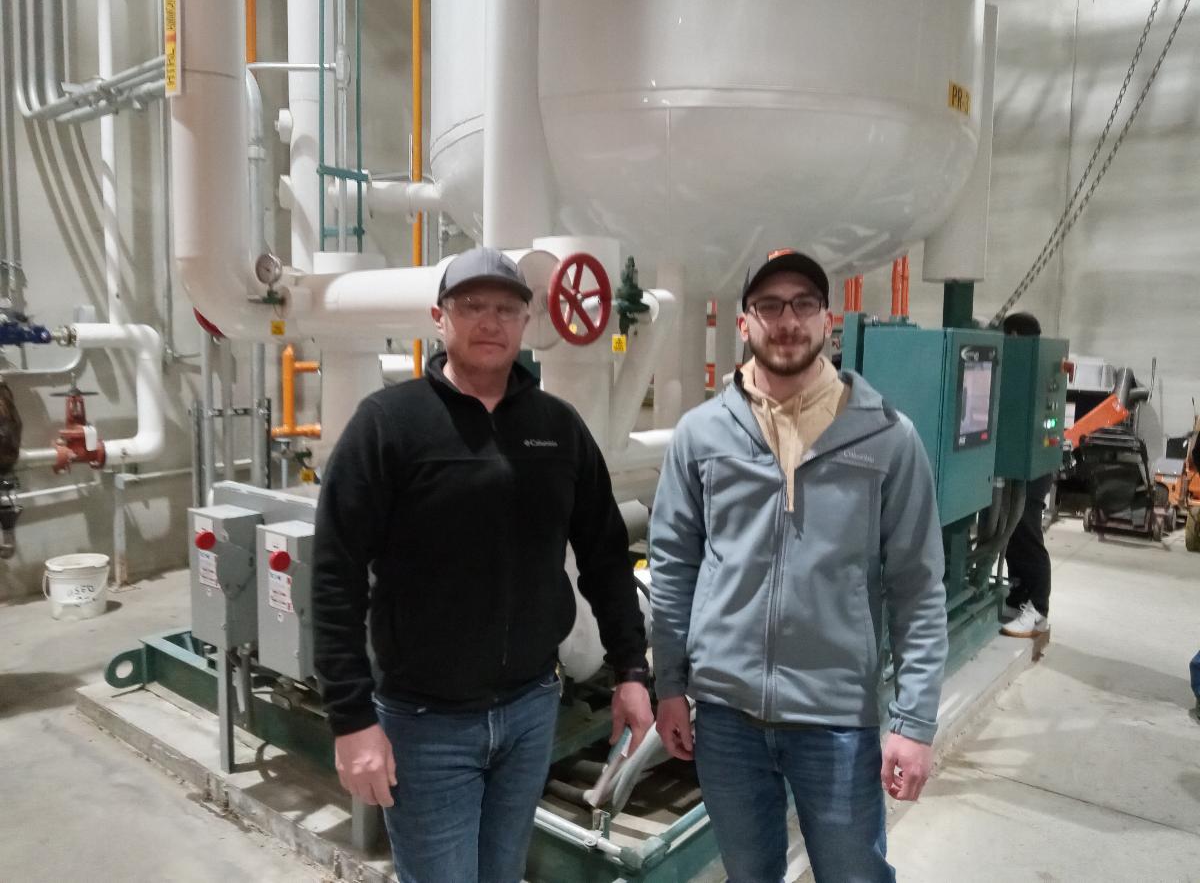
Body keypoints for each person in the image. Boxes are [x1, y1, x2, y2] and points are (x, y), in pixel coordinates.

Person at [312, 246, 654, 883]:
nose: (490, 321)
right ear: (438, 317)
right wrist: (351, 718)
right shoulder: (389, 425)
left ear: (526, 322)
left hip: (531, 708)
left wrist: (631, 669)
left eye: (506, 308)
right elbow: (336, 576)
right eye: (471, 306)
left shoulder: (557, 427)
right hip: (425, 723)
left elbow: (606, 554)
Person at [650, 249, 948, 883]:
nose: (787, 321)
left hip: (835, 717)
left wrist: (915, 721)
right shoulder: (701, 435)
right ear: (744, 323)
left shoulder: (887, 437)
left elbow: (918, 588)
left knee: (853, 874)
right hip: (726, 714)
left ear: (828, 320)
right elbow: (674, 566)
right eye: (769, 306)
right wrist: (670, 685)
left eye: (804, 304)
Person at [999, 311, 1053, 638]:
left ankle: (1038, 608)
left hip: (1032, 464)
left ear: (1015, 336)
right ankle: (1019, 594)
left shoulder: (1029, 364)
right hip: (1023, 460)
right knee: (1011, 531)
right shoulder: (1033, 363)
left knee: (1026, 533)